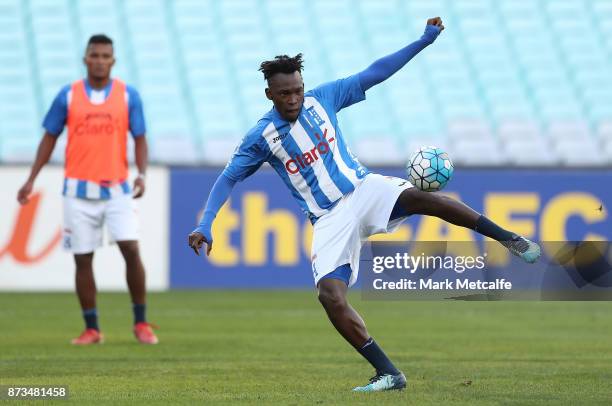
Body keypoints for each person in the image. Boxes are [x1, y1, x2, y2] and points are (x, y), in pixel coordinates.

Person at [188, 17, 540, 392]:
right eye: (285, 94)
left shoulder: (323, 99)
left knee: (424, 200)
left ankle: (508, 238)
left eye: (297, 90)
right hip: (328, 218)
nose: (293, 99)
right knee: (329, 296)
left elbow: (376, 72)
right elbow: (228, 178)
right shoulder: (261, 137)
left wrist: (423, 41)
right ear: (270, 95)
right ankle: (389, 373)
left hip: (362, 188)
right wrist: (206, 223)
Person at [16, 34, 158, 345]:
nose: (99, 60)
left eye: (105, 55)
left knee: (131, 250)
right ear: (85, 59)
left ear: (113, 60)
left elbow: (140, 137)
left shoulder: (127, 96)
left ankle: (141, 323)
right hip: (77, 192)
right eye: (94, 55)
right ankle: (92, 328)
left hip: (118, 190)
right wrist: (31, 179)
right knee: (82, 258)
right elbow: (49, 137)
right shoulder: (67, 96)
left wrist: (142, 173)